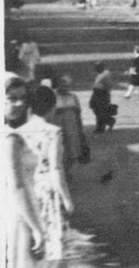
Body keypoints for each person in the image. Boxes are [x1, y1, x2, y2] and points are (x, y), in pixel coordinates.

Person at [20, 86, 73, 261]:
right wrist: (66, 198)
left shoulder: (18, 133)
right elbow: (56, 168)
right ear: (52, 107)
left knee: (27, 245)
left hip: (25, 191)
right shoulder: (52, 132)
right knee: (53, 243)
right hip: (47, 192)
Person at [4, 73, 46, 266]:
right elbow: (17, 186)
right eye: (12, 98)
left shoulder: (15, 133)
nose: (19, 104)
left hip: (24, 206)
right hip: (18, 211)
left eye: (23, 98)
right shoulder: (11, 139)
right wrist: (36, 228)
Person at [51, 77, 87, 173]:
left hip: (72, 129)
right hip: (58, 128)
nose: (65, 88)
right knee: (59, 152)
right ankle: (62, 173)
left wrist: (80, 129)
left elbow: (78, 113)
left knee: (72, 152)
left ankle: (67, 172)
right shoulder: (52, 96)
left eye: (67, 86)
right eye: (62, 85)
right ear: (58, 85)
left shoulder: (73, 96)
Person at [88, 62, 116, 133]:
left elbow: (110, 85)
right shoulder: (100, 74)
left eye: (97, 67)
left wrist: (105, 94)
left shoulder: (105, 74)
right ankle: (108, 122)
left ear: (102, 67)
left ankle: (101, 127)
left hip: (102, 95)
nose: (96, 68)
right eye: (95, 67)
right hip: (96, 94)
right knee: (96, 110)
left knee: (101, 112)